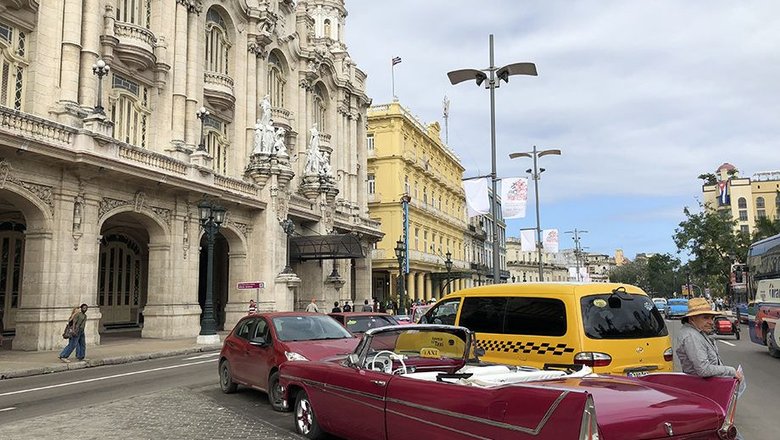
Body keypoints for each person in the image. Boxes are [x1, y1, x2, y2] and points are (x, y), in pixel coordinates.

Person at [676, 297, 744, 380]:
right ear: (692, 319)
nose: (711, 322)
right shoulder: (691, 336)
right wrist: (731, 371)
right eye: (705, 318)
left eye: (712, 318)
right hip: (702, 387)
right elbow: (703, 369)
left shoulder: (698, 332)